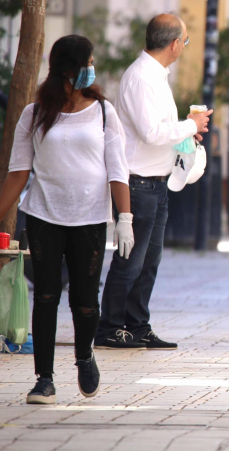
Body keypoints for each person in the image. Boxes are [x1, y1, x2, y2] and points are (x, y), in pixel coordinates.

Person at [0, 35, 132, 403]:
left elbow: (117, 169)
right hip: (43, 215)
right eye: (87, 62)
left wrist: (126, 218)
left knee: (86, 301)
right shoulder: (35, 113)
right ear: (69, 70)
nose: (92, 69)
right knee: (44, 296)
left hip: (89, 218)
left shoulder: (105, 112)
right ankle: (44, 379)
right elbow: (17, 173)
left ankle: (84, 355)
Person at [95, 14, 212, 349]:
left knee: (149, 261)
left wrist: (187, 134)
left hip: (157, 183)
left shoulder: (157, 76)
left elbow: (159, 130)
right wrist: (190, 125)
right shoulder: (141, 77)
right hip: (138, 184)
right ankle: (110, 326)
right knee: (130, 261)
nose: (184, 47)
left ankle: (137, 323)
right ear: (174, 44)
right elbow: (151, 132)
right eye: (185, 41)